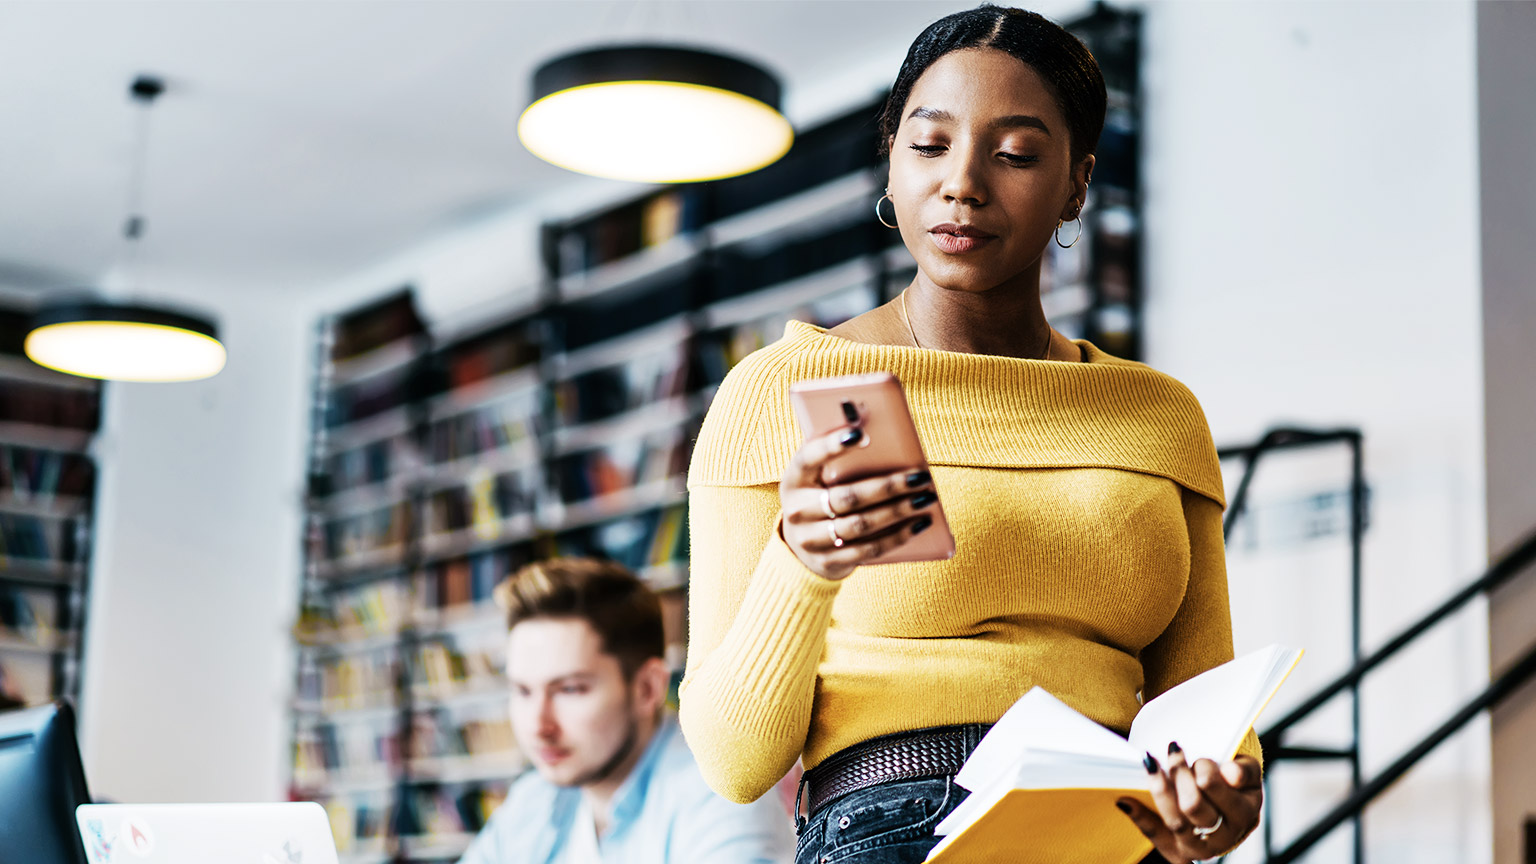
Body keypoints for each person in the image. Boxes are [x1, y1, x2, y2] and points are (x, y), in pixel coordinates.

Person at [678, 6, 1263, 864]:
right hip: (893, 825)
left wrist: (1218, 798)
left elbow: (1207, 710)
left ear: (1077, 183)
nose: (963, 183)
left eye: (1017, 153)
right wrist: (801, 565)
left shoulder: (1158, 414)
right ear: (892, 159)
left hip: (1115, 831)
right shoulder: (784, 389)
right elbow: (733, 763)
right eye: (929, 146)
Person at [458, 557, 793, 864]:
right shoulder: (534, 798)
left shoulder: (720, 797)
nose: (537, 726)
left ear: (647, 688)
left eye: (570, 689)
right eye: (523, 691)